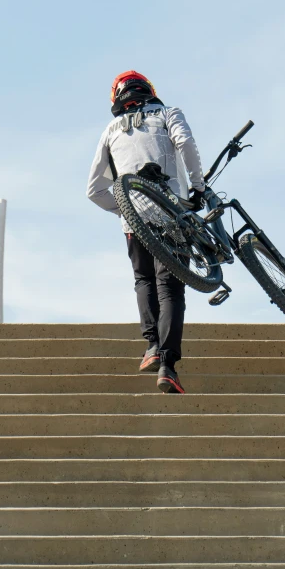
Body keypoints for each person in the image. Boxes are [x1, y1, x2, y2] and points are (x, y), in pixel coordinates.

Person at [87, 70, 206, 394]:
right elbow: (185, 142)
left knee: (144, 281)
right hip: (171, 213)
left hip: (133, 221)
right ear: (150, 91)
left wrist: (124, 209)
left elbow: (94, 189)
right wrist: (198, 185)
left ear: (117, 100)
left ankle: (151, 347)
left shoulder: (110, 130)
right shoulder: (168, 113)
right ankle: (167, 365)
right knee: (170, 288)